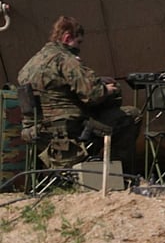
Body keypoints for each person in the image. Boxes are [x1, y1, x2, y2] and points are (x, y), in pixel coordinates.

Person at [17, 16, 141, 172]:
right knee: (131, 115)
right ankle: (119, 174)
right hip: (70, 129)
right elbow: (93, 95)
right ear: (67, 37)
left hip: (37, 132)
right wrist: (108, 89)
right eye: (79, 42)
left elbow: (55, 88)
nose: (79, 47)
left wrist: (96, 79)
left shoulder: (29, 65)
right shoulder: (66, 60)